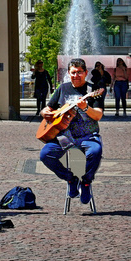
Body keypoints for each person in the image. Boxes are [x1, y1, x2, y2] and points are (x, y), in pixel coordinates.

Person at [39, 59, 104, 206]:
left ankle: (86, 182)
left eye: (80, 72)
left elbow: (98, 115)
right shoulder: (62, 88)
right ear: (69, 73)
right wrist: (46, 114)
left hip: (88, 135)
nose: (76, 75)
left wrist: (86, 108)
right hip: (64, 136)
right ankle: (71, 178)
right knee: (45, 154)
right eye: (73, 72)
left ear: (85, 73)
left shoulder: (93, 90)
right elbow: (47, 108)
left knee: (96, 151)